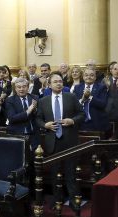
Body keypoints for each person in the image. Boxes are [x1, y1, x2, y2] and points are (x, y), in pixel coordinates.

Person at [35, 73, 85, 208]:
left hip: (70, 140)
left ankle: (74, 200)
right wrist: (45, 125)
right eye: (55, 82)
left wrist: (72, 120)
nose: (58, 84)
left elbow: (82, 114)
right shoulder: (43, 101)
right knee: (54, 173)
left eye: (60, 81)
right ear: (49, 85)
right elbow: (38, 118)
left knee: (71, 172)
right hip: (53, 141)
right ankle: (58, 198)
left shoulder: (71, 97)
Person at [5, 78, 39, 149]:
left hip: (33, 134)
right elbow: (12, 118)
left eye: (24, 86)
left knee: (34, 157)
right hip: (16, 134)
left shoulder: (35, 98)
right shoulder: (10, 100)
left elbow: (39, 115)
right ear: (15, 88)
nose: (21, 89)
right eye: (19, 87)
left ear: (28, 87)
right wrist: (28, 111)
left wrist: (35, 110)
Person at [73, 68, 110, 133]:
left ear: (95, 77)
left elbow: (103, 104)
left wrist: (90, 97)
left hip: (97, 122)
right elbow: (74, 105)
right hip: (81, 122)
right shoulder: (77, 88)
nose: (89, 77)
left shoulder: (101, 87)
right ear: (83, 77)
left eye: (91, 75)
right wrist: (82, 99)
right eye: (86, 75)